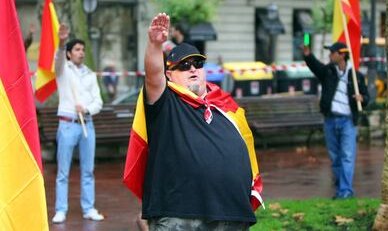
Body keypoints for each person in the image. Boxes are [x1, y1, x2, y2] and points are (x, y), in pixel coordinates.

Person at [124, 13, 263, 230]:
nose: (192, 68)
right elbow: (153, 75)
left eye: (197, 63)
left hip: (231, 212)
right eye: (183, 65)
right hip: (181, 213)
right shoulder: (167, 101)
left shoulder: (225, 106)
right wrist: (154, 44)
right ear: (169, 74)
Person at [52, 24, 104, 223]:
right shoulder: (63, 70)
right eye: (77, 49)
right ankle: (60, 209)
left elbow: (98, 102)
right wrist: (62, 43)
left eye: (83, 49)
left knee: (88, 170)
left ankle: (89, 208)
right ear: (69, 53)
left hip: (87, 125)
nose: (81, 52)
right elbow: (57, 61)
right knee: (63, 170)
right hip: (66, 124)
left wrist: (88, 109)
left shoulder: (90, 75)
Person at [303, 42, 369, 199]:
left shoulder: (356, 76)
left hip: (347, 121)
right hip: (330, 120)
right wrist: (307, 55)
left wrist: (362, 98)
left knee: (347, 156)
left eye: (332, 52)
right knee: (335, 157)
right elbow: (315, 67)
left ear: (342, 55)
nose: (329, 55)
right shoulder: (328, 72)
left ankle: (346, 192)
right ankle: (340, 187)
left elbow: (367, 97)